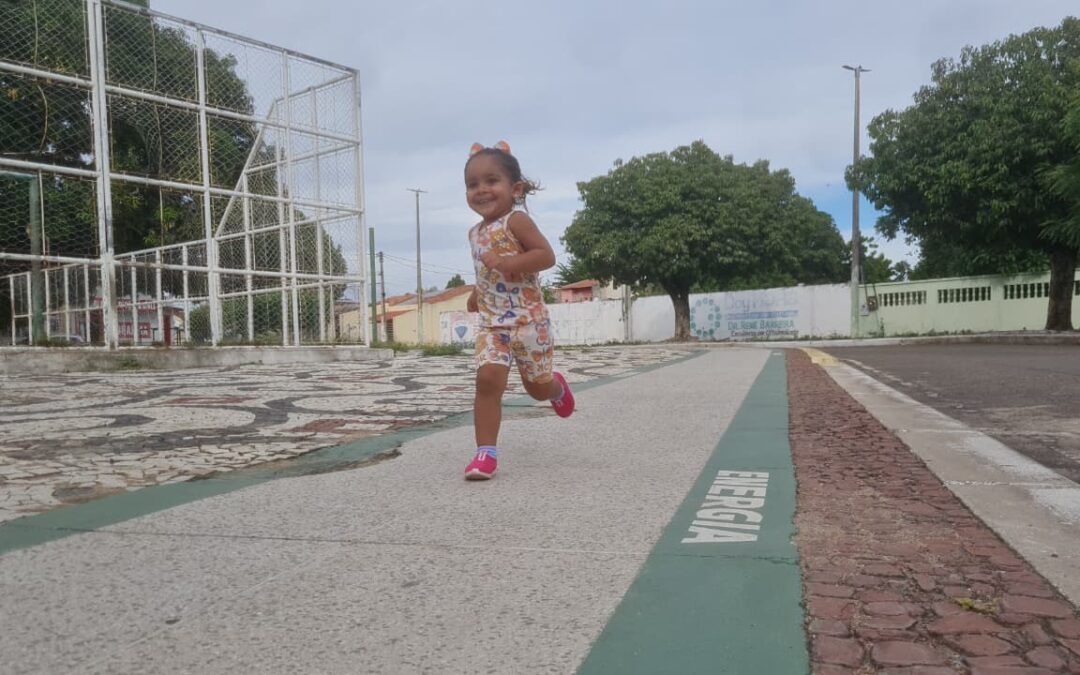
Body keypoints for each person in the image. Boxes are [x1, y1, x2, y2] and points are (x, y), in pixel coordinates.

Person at [462, 141, 574, 480]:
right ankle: (486, 454)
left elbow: (545, 256)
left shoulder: (518, 221)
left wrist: (511, 261)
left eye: (491, 181)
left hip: (530, 323)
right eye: (472, 184)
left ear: (516, 189)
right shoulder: (475, 232)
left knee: (535, 388)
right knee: (487, 380)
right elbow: (487, 271)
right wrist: (476, 293)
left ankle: (556, 388)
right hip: (492, 325)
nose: (481, 190)